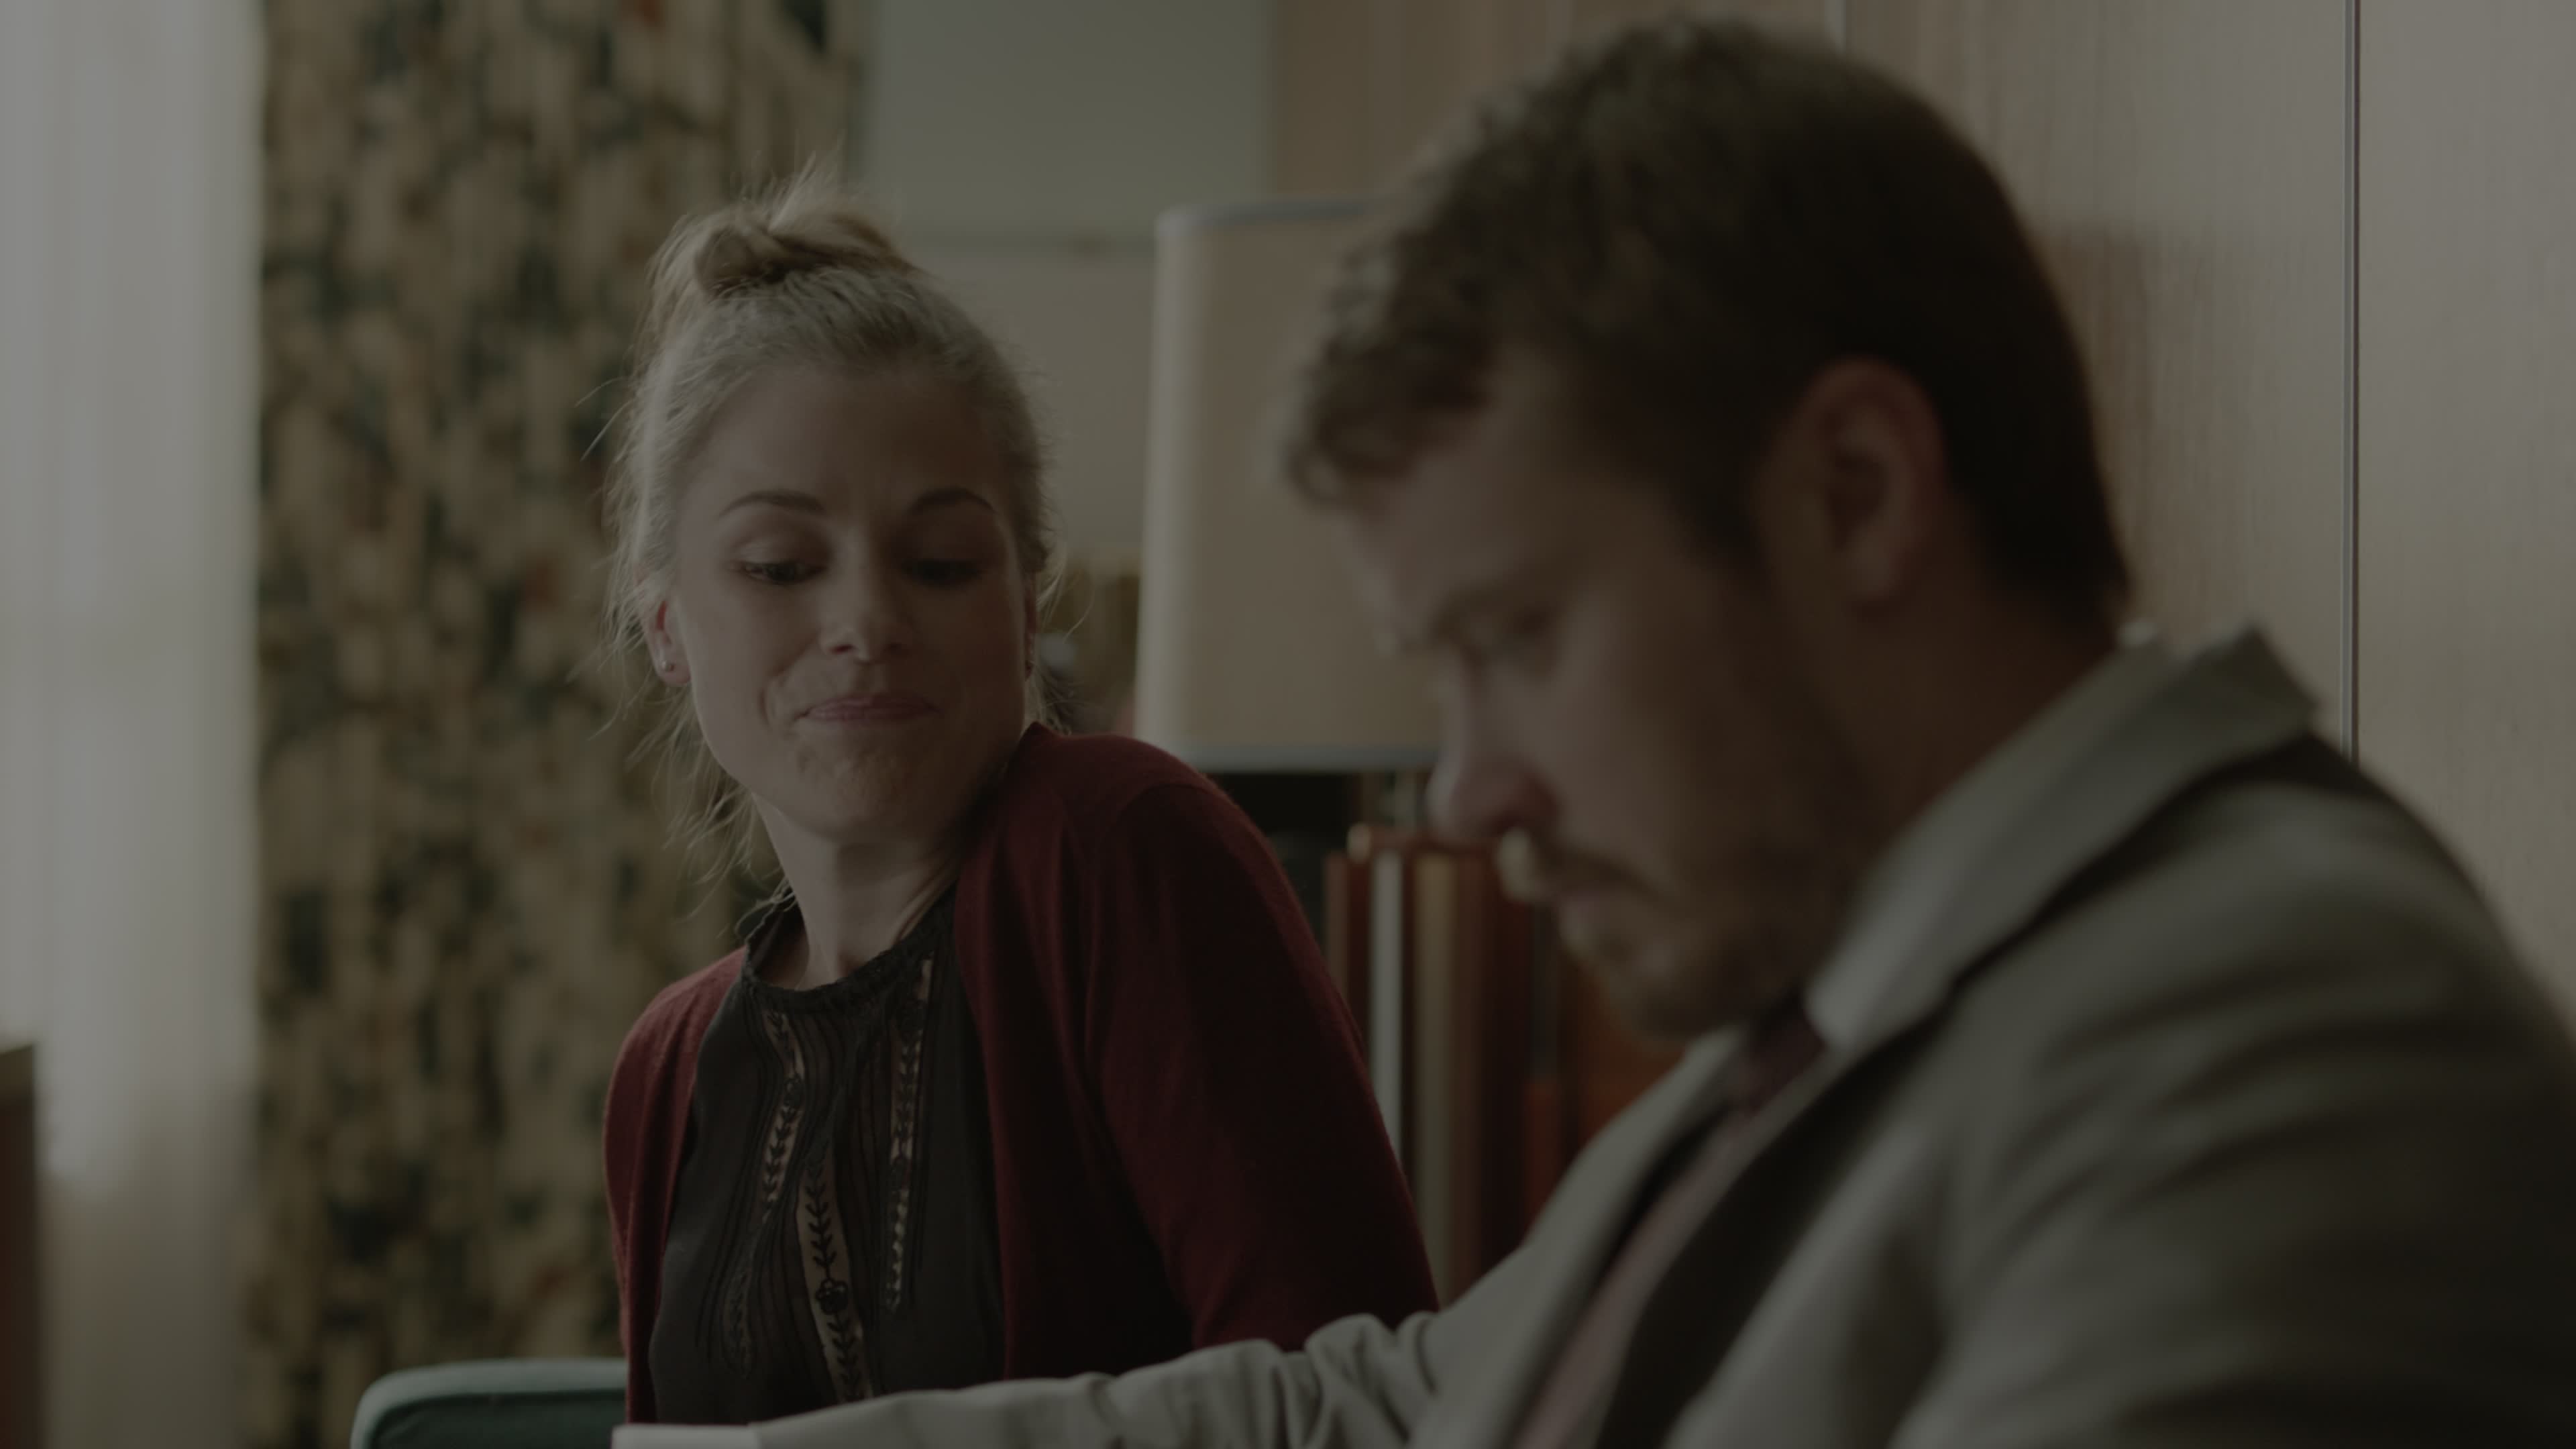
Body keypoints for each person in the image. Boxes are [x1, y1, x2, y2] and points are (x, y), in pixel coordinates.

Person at [655, 18, 2576, 1448]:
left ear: (1853, 494)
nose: (1473, 783)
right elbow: (1385, 1407)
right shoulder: (1839, 1025)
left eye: (1516, 637)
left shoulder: (2286, 1038)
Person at [596, 171, 1436, 1426]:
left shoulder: (1119, 852)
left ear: (1026, 601)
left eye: (941, 564)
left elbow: (1352, 1411)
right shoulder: (664, 1070)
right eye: (781, 565)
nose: (867, 621)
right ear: (667, 626)